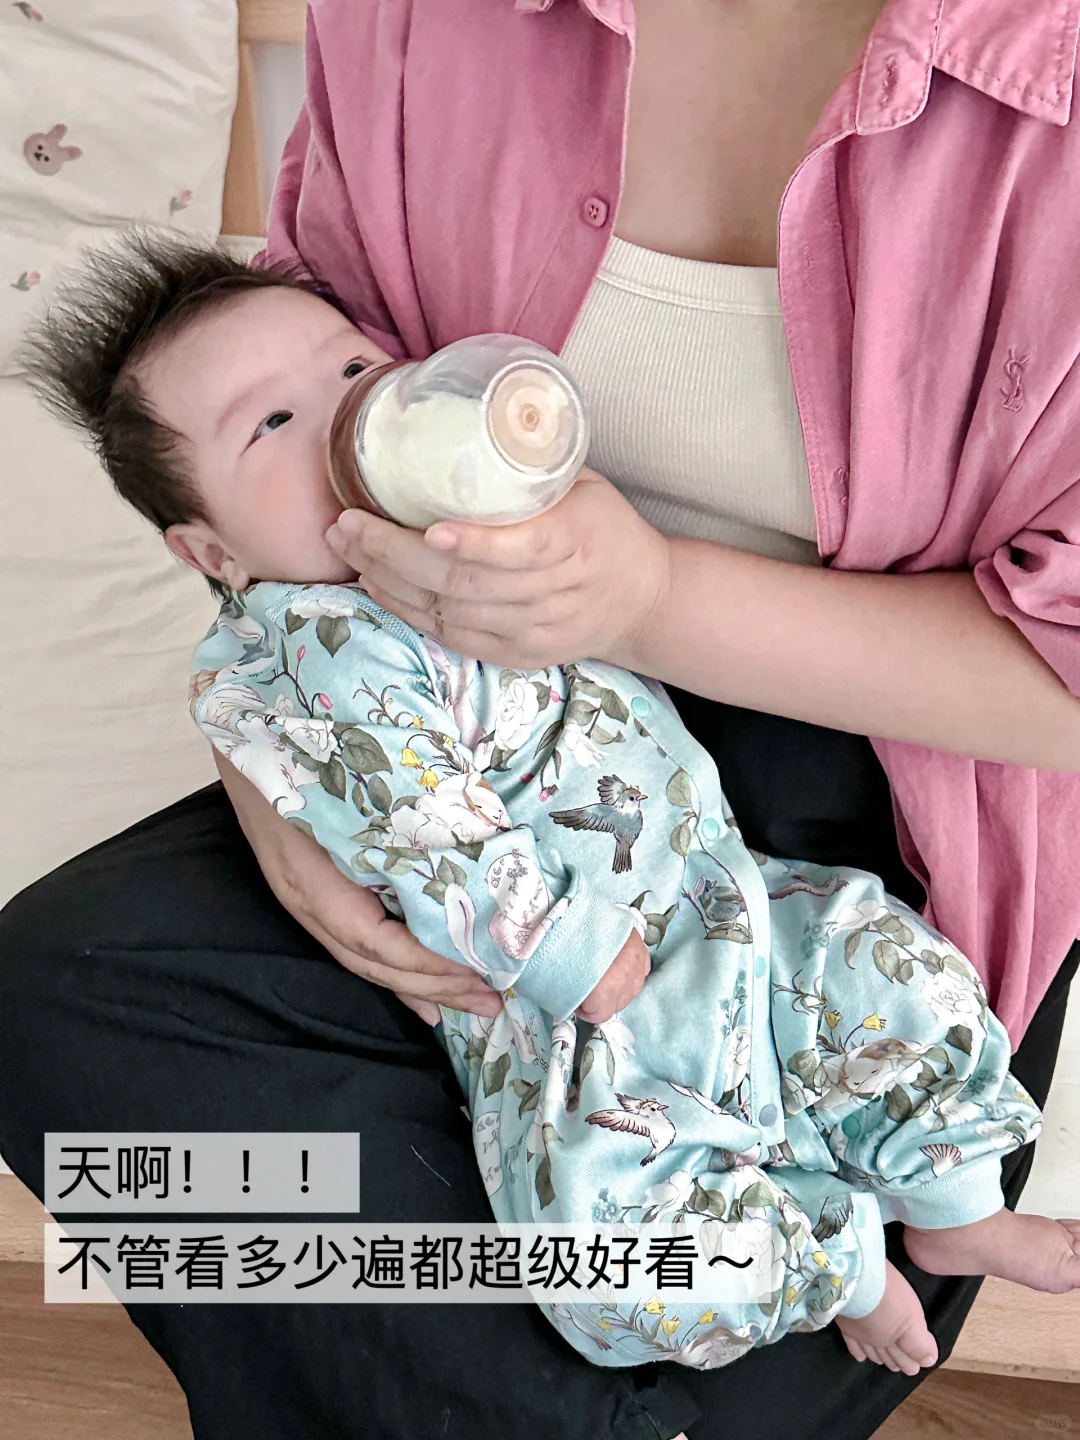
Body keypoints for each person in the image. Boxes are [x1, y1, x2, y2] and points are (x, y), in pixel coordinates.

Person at [2, 2, 1079, 1437]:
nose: (348, 413)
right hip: (523, 880)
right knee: (62, 993)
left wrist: (646, 601)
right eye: (278, 424)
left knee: (869, 990)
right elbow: (293, 597)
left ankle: (919, 1205)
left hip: (870, 753)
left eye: (350, 378)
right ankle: (813, 1252)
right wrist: (287, 780)